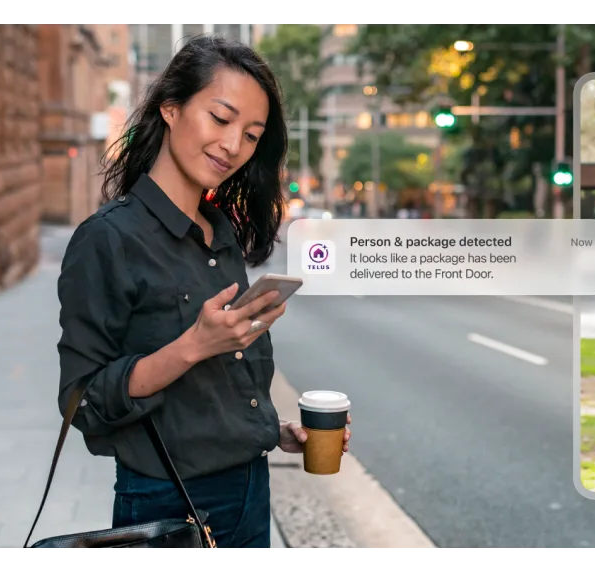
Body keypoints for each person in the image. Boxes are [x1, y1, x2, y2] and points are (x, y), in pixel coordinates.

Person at [55, 34, 351, 549]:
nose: (233, 145)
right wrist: (193, 345)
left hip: (250, 493)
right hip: (166, 505)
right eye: (220, 118)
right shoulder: (108, 238)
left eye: (252, 134)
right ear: (171, 108)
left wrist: (274, 431)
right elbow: (82, 401)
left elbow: (214, 387)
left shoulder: (220, 233)